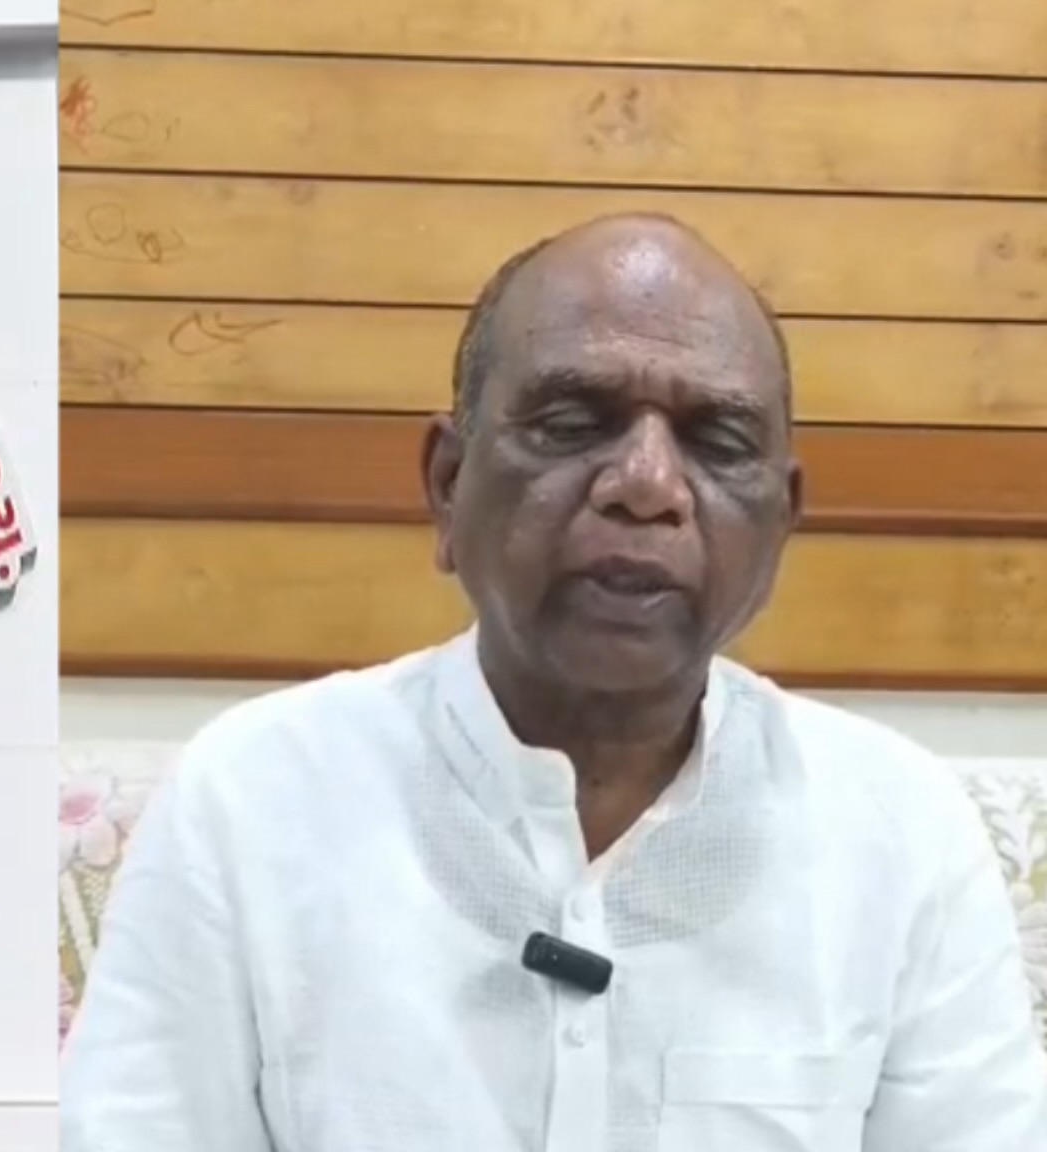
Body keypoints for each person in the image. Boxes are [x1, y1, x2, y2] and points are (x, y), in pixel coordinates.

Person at [58, 213, 1047, 1152]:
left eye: (717, 444)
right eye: (574, 423)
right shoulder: (252, 801)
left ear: (780, 521)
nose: (646, 485)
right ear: (447, 485)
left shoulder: (898, 832)